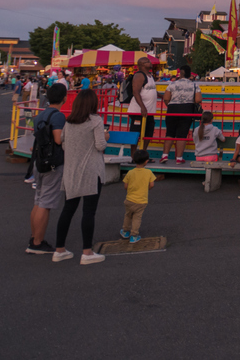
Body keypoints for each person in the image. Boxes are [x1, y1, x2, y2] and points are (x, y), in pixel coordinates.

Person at [54, 88, 108, 264]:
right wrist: (106, 136)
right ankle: (87, 252)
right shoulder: (95, 121)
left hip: (71, 171)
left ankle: (59, 249)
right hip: (92, 171)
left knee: (68, 210)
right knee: (89, 212)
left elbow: (62, 143)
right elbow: (100, 145)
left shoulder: (69, 122)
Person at [26, 82, 68, 255]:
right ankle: (37, 243)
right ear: (64, 98)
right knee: (46, 203)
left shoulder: (40, 116)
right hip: (53, 163)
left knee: (38, 200)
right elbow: (58, 140)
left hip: (39, 161)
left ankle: (35, 237)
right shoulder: (58, 116)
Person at [159, 68, 201, 163]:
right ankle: (179, 158)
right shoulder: (194, 85)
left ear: (180, 74)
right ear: (190, 74)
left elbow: (166, 98)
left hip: (172, 109)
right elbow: (198, 99)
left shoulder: (172, 84)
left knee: (169, 133)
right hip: (187, 109)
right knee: (182, 134)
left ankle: (164, 155)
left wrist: (170, 105)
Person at [120, 149, 156, 244]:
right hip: (141, 201)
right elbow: (152, 185)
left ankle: (125, 231)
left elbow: (125, 186)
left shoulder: (130, 172)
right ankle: (134, 235)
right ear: (146, 161)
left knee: (128, 215)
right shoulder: (148, 172)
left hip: (129, 200)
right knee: (137, 218)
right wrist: (146, 188)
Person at [127, 56, 158, 151]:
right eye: (147, 61)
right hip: (138, 111)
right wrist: (142, 107)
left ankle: (143, 154)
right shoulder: (139, 75)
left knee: (148, 133)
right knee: (136, 133)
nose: (150, 62)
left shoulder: (150, 76)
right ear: (142, 65)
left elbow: (152, 90)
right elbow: (135, 92)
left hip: (149, 111)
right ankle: (133, 155)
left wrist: (162, 96)